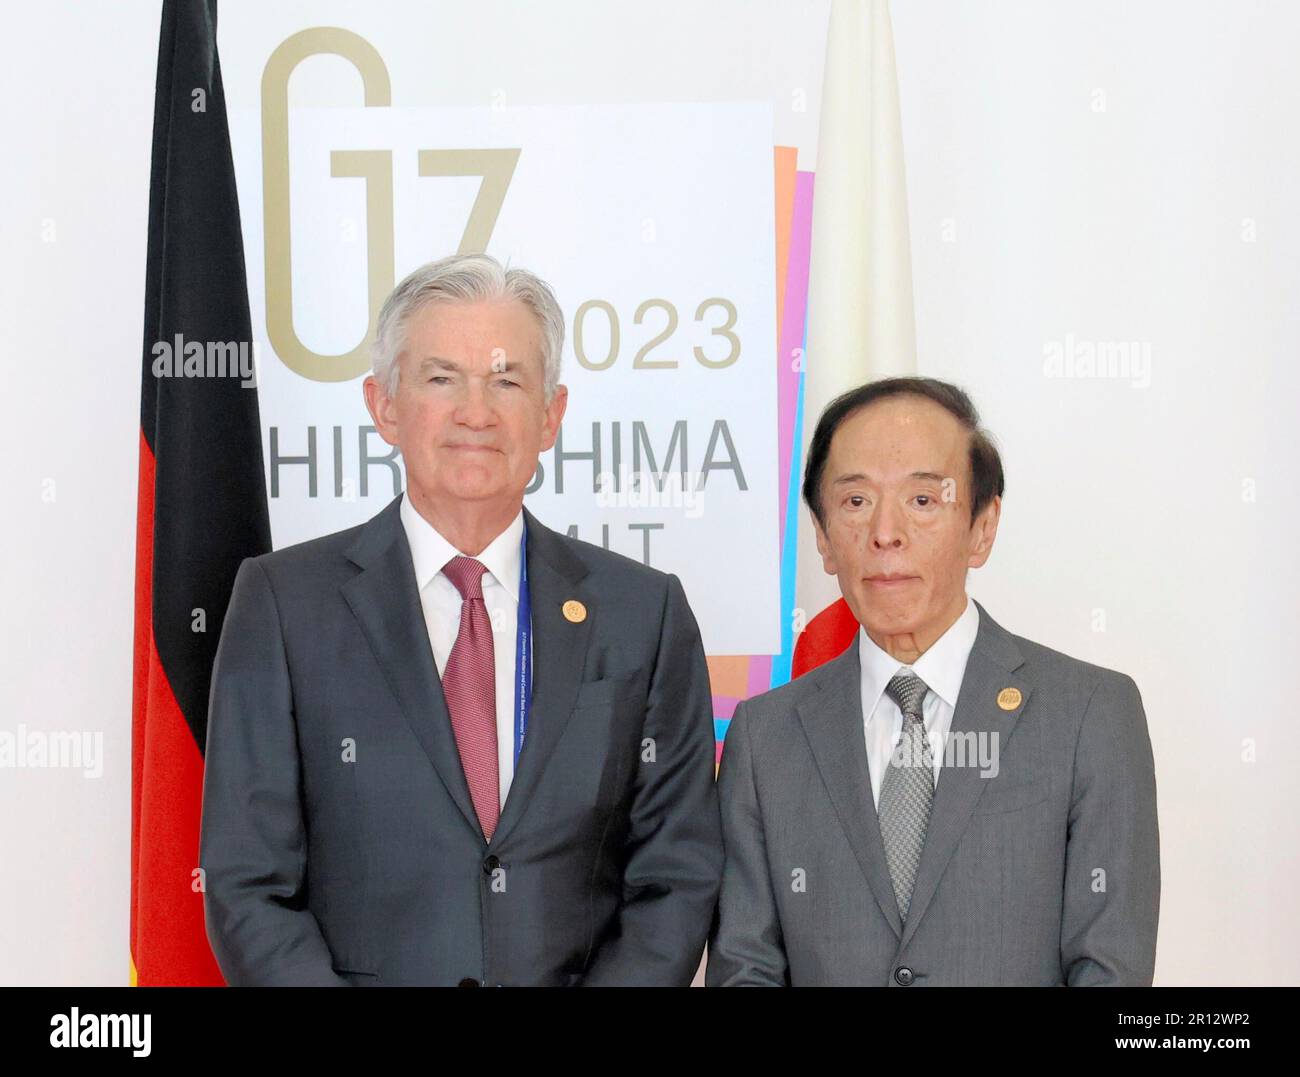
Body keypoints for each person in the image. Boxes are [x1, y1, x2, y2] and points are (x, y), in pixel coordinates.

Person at [200, 253, 722, 986]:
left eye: (507, 380)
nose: (476, 411)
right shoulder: (284, 605)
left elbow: (677, 872)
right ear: (383, 404)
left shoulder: (643, 612)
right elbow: (248, 883)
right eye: (442, 378)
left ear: (551, 415)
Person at [707, 377, 1159, 986]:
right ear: (822, 536)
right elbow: (746, 969)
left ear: (982, 527)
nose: (885, 533)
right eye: (856, 501)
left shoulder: (1088, 715)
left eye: (923, 501)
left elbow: (1109, 971)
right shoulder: (765, 737)